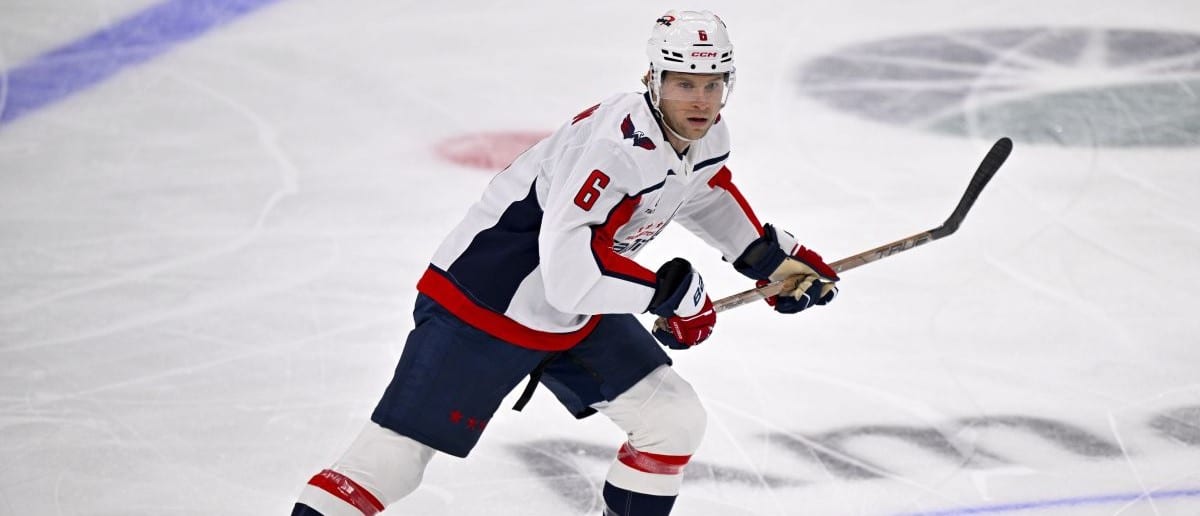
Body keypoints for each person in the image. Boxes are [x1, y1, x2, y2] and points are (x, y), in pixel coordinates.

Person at [292, 9, 839, 516]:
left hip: (574, 309)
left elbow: (703, 192)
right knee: (392, 462)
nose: (699, 101)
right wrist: (668, 295)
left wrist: (770, 259)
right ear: (653, 79)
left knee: (670, 420)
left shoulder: (706, 134)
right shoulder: (614, 149)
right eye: (683, 84)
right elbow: (570, 276)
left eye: (712, 85)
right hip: (484, 307)